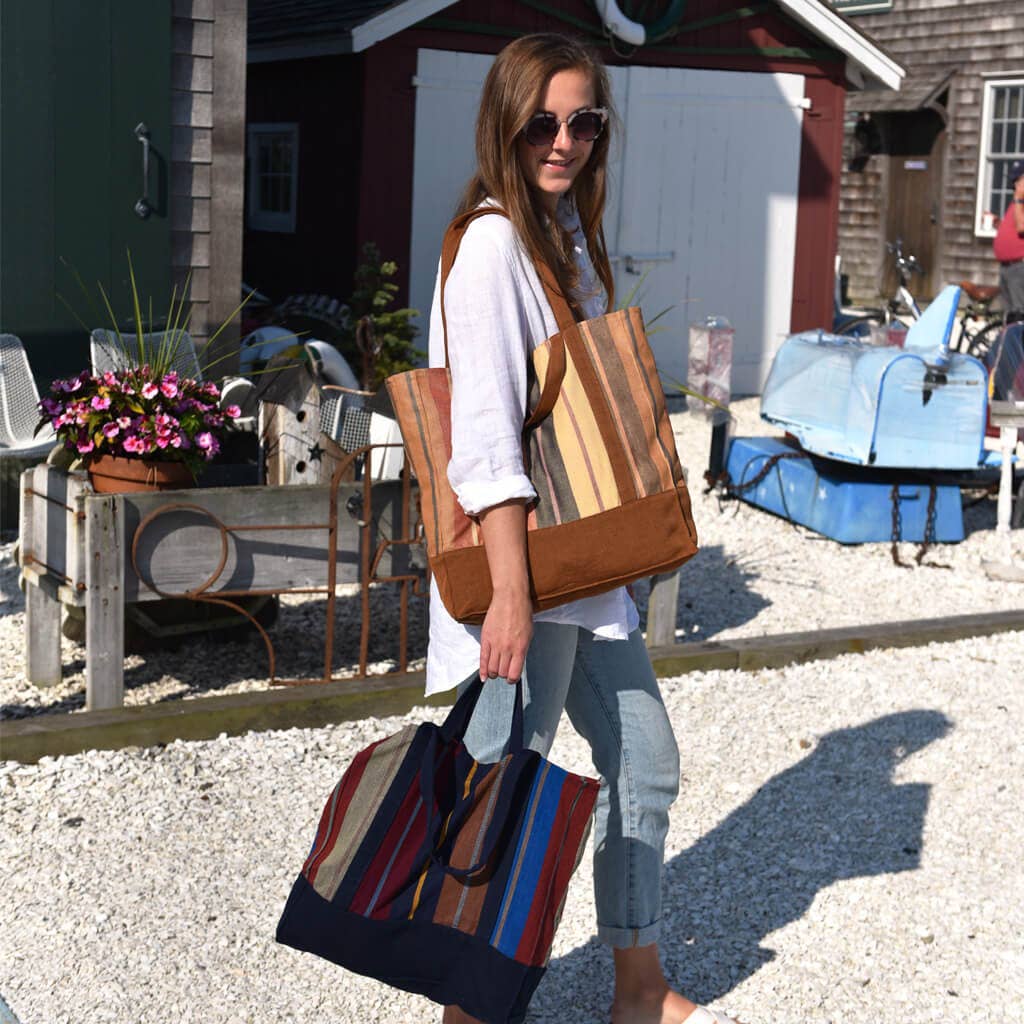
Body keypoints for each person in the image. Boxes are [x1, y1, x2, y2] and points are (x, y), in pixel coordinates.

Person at [426, 33, 744, 1024]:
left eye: (584, 122)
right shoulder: (491, 246)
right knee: (503, 792)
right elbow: (486, 434)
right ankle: (466, 1009)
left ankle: (637, 989)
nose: (563, 142)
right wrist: (509, 596)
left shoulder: (561, 239)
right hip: (529, 568)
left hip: (583, 570)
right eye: (542, 123)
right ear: (504, 125)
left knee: (643, 759)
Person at [993, 158, 1024, 316]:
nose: (1014, 185)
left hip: (1019, 266)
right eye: (1013, 181)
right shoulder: (1017, 203)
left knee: (1019, 314)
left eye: (1018, 180)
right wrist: (998, 224)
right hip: (1006, 266)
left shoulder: (1019, 202)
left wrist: (1019, 199)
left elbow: (1021, 227)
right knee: (1009, 315)